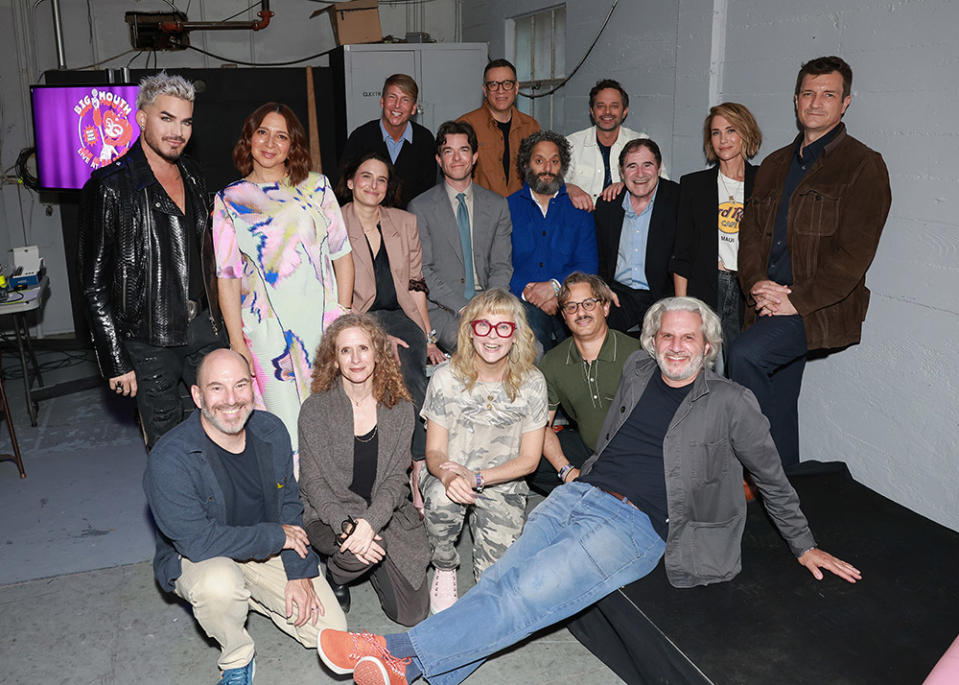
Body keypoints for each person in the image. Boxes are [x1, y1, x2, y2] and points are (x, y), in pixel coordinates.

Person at [315, 297, 861, 685]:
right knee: (503, 580)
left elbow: (771, 475)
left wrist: (802, 543)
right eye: (666, 336)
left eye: (688, 337)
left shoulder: (731, 401)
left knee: (524, 594)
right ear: (652, 341)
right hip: (579, 496)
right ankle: (426, 675)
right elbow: (611, 422)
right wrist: (577, 474)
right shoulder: (642, 370)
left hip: (633, 525)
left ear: (708, 345)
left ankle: (393, 653)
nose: (676, 347)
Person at [143, 349, 346, 685]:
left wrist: (297, 572)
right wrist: (277, 537)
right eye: (217, 388)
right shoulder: (171, 459)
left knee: (331, 630)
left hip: (263, 548)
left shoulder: (271, 430)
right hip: (205, 556)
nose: (231, 400)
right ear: (197, 395)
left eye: (240, 385)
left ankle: (246, 595)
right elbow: (198, 541)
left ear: (253, 388)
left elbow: (289, 504)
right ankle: (237, 657)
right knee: (219, 585)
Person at [729, 56, 891, 467]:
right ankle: (787, 492)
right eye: (808, 93)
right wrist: (756, 285)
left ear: (845, 103)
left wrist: (793, 301)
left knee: (744, 357)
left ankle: (756, 471)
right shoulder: (773, 165)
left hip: (813, 309)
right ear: (796, 99)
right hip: (765, 300)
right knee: (780, 403)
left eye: (828, 94)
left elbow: (854, 256)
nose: (816, 103)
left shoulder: (863, 165)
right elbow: (749, 236)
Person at [78, 71, 227, 449]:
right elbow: (93, 284)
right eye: (166, 118)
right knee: (168, 444)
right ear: (142, 118)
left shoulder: (192, 172)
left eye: (186, 121)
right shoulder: (110, 186)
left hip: (203, 330)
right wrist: (115, 359)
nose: (178, 131)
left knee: (217, 428)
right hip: (149, 340)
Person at [212, 102, 354, 474]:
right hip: (267, 334)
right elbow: (226, 277)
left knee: (330, 419)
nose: (270, 143)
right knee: (283, 428)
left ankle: (336, 502)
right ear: (249, 138)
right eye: (263, 132)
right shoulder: (229, 200)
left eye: (282, 136)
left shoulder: (317, 187)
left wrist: (340, 319)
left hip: (320, 328)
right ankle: (296, 509)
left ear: (293, 146)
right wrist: (237, 343)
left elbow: (342, 255)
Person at [418, 289, 547, 615]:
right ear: (469, 330)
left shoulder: (532, 383)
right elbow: (433, 451)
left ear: (515, 334)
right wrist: (448, 474)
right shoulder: (446, 378)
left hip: (501, 482)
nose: (492, 337)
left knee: (495, 593)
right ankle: (445, 565)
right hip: (450, 474)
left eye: (503, 327)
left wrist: (477, 477)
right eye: (483, 326)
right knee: (442, 499)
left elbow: (530, 461)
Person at [298, 314, 431, 625]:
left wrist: (369, 524)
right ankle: (337, 576)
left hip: (384, 516)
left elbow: (397, 481)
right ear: (334, 358)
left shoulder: (399, 408)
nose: (356, 359)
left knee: (412, 614)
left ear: (378, 353)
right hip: (330, 512)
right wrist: (347, 525)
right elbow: (312, 483)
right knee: (353, 552)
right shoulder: (315, 410)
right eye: (345, 351)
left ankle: (371, 561)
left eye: (363, 348)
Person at [336, 151, 447, 513]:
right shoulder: (333, 223)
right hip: (357, 316)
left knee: (413, 365)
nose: (373, 185)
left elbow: (416, 282)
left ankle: (418, 465)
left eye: (381, 179)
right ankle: (390, 468)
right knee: (389, 358)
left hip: (401, 314)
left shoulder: (404, 222)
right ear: (351, 181)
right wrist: (371, 336)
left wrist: (428, 336)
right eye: (365, 177)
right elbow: (333, 290)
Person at [671, 102, 762, 373]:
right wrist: (682, 306)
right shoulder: (694, 185)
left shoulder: (765, 181)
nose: (723, 140)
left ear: (746, 132)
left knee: (743, 368)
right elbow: (682, 252)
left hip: (748, 289)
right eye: (716, 133)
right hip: (707, 285)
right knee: (701, 367)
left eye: (731, 130)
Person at [529, 272, 640, 495]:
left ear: (605, 307)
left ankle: (602, 491)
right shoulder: (553, 361)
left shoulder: (636, 354)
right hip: (590, 451)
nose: (580, 312)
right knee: (531, 458)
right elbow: (541, 427)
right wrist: (567, 471)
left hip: (634, 455)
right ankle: (594, 488)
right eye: (571, 307)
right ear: (563, 315)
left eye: (589, 303)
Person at [407, 120, 514, 352]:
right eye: (448, 151)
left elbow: (501, 266)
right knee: (476, 348)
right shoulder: (420, 208)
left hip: (489, 304)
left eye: (463, 150)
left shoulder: (497, 205)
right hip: (444, 309)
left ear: (474, 156)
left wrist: (490, 307)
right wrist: (464, 309)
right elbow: (423, 270)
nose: (456, 158)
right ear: (439, 160)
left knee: (531, 350)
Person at [508, 130, 598, 352]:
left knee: (582, 341)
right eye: (539, 161)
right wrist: (530, 292)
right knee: (534, 340)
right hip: (522, 300)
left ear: (562, 166)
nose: (547, 169)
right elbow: (499, 262)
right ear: (526, 165)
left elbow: (588, 264)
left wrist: (555, 287)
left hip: (570, 297)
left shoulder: (579, 210)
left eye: (554, 161)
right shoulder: (507, 208)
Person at [595, 138, 680, 333]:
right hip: (618, 294)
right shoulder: (608, 204)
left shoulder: (678, 199)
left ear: (659, 168)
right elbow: (598, 256)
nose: (640, 174)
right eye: (632, 166)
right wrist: (602, 288)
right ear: (622, 172)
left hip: (661, 296)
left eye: (647, 165)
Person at [564, 79, 668, 210]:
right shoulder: (571, 143)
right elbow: (552, 183)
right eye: (601, 106)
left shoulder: (641, 142)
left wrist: (628, 185)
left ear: (624, 111)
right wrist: (569, 188)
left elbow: (663, 184)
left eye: (614, 106)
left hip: (626, 221)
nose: (607, 112)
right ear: (592, 111)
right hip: (582, 221)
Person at [339, 74, 437, 208]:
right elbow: (345, 187)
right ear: (382, 102)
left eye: (405, 100)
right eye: (392, 97)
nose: (397, 105)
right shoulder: (360, 137)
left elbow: (429, 192)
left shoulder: (425, 140)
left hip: (410, 222)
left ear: (413, 108)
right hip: (367, 222)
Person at [458, 59, 540, 196]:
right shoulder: (465, 126)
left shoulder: (531, 126)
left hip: (521, 211)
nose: (500, 90)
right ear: (485, 90)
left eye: (507, 84)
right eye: (493, 84)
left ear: (516, 88)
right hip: (480, 212)